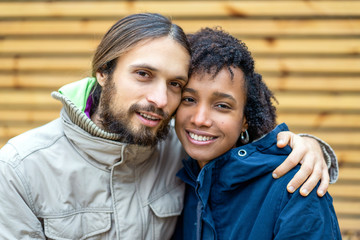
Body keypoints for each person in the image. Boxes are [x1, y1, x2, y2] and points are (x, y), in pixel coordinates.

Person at [0, 13, 337, 239]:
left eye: (175, 84)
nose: (160, 99)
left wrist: (308, 146)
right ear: (103, 71)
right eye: (143, 75)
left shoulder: (183, 152)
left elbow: (241, 149)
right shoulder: (20, 168)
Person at [173, 27, 341, 239]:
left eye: (222, 106)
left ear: (244, 120)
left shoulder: (297, 187)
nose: (200, 119)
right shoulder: (186, 180)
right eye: (189, 99)